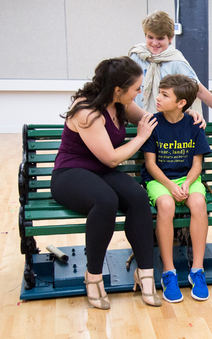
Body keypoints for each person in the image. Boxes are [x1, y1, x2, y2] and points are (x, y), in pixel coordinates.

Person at [50, 56, 161, 309]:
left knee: (138, 197)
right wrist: (141, 137)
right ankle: (93, 275)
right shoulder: (87, 111)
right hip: (70, 174)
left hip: (100, 172)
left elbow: (150, 120)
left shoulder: (121, 102)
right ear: (118, 89)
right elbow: (111, 159)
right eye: (137, 88)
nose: (140, 92)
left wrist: (186, 115)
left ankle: (145, 273)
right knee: (105, 200)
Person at [140, 74, 212, 303]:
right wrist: (170, 186)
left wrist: (188, 184)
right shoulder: (153, 123)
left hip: (187, 178)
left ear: (182, 103)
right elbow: (150, 165)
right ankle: (168, 272)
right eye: (159, 93)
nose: (158, 98)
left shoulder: (194, 125)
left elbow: (197, 165)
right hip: (160, 181)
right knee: (166, 204)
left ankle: (197, 271)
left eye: (164, 95)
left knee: (199, 203)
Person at [128, 11, 212, 124]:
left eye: (160, 38)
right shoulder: (136, 56)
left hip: (168, 124)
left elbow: (199, 90)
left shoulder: (176, 61)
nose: (154, 43)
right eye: (150, 37)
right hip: (139, 121)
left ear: (170, 38)